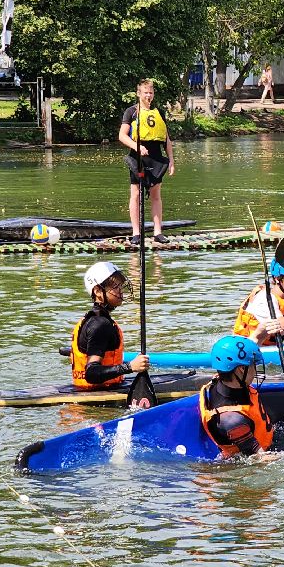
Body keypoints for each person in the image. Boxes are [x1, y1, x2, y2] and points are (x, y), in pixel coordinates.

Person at [70, 261, 150, 389]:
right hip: (95, 401)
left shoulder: (94, 319)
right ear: (97, 291)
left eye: (120, 286)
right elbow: (91, 374)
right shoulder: (100, 325)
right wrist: (130, 367)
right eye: (115, 286)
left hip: (86, 392)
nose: (120, 291)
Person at [118, 78, 175, 244]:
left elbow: (166, 139)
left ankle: (158, 232)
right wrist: (137, 147)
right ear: (139, 93)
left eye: (151, 92)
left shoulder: (159, 112)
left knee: (156, 194)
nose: (148, 95)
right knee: (135, 194)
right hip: (138, 156)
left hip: (156, 155)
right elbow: (122, 136)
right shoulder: (131, 112)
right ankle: (136, 233)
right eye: (145, 93)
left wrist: (171, 160)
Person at [198, 335, 274, 458]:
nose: (255, 371)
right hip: (247, 464)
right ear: (241, 369)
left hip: (262, 431)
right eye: (253, 365)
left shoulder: (221, 380)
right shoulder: (232, 420)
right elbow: (262, 459)